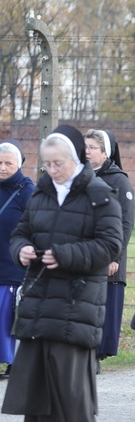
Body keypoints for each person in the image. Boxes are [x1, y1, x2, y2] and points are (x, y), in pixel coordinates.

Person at [1, 125, 123, 421]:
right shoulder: (41, 193)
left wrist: (65, 255)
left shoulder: (100, 194)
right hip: (38, 305)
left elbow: (110, 245)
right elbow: (20, 233)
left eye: (59, 163)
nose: (52, 170)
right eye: (47, 164)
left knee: (71, 401)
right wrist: (22, 250)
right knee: (37, 400)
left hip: (74, 306)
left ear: (76, 160)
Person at [84, 129, 135, 372]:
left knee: (103, 309)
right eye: (85, 146)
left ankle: (95, 356)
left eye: (93, 147)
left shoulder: (118, 180)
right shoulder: (79, 176)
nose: (87, 151)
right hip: (83, 254)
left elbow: (126, 222)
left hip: (109, 258)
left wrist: (114, 256)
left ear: (105, 152)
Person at [0, 139, 34, 380]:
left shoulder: (27, 191)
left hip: (13, 265)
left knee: (10, 315)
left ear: (19, 163)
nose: (2, 167)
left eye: (8, 163)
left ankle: (14, 362)